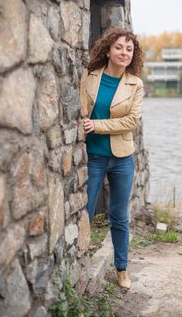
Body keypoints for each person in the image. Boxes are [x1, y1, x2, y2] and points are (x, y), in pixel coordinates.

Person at [80, 27, 143, 289]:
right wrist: (88, 122)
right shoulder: (89, 76)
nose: (124, 52)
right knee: (85, 211)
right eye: (119, 47)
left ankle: (122, 269)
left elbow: (132, 121)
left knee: (119, 215)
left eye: (129, 49)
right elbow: (82, 112)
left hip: (122, 158)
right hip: (93, 156)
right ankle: (79, 263)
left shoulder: (135, 84)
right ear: (108, 50)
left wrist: (98, 125)